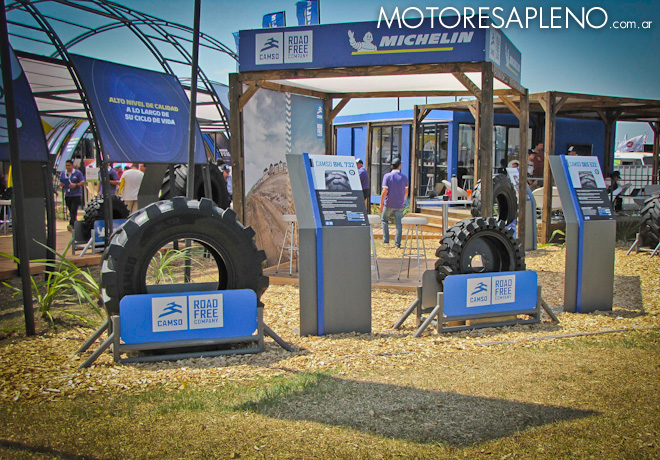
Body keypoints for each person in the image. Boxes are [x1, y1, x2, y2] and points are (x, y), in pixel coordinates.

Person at [379, 157, 408, 248]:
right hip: (399, 204)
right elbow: (406, 191)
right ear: (399, 166)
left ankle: (386, 240)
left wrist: (381, 203)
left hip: (389, 203)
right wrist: (402, 200)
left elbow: (384, 191)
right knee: (399, 224)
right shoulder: (404, 177)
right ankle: (397, 244)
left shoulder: (387, 176)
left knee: (384, 220)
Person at [60, 159, 85, 231]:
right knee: (71, 210)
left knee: (74, 208)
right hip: (68, 194)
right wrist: (62, 184)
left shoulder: (77, 173)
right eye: (66, 165)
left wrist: (76, 185)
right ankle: (75, 222)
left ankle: (71, 224)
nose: (68, 167)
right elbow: (60, 183)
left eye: (69, 165)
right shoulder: (63, 173)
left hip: (76, 194)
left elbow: (82, 182)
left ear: (72, 165)